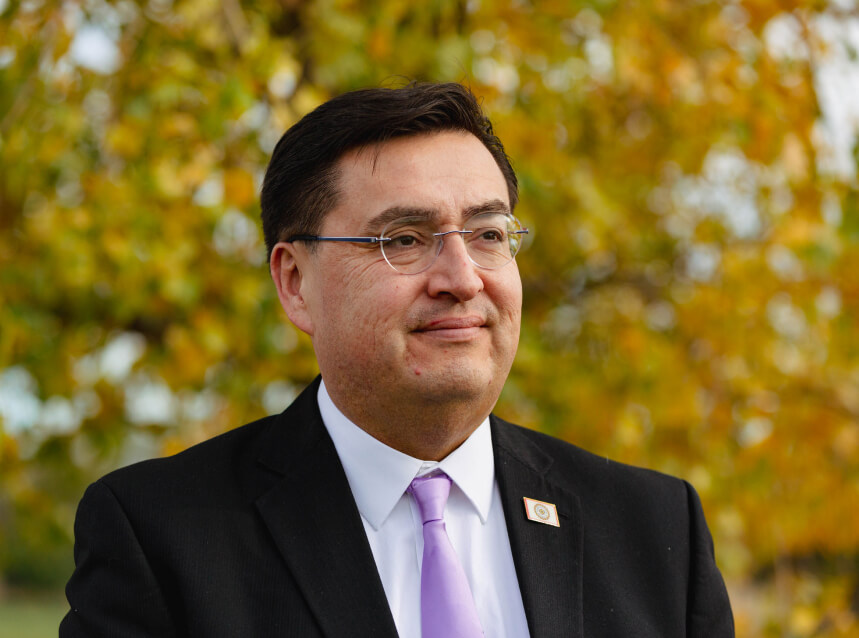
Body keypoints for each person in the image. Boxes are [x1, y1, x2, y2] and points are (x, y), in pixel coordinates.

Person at [60, 82, 734, 637]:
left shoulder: (651, 529)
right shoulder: (161, 536)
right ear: (295, 283)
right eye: (404, 239)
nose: (461, 277)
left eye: (488, 234)